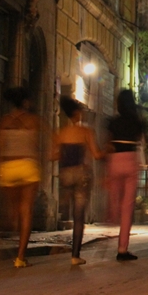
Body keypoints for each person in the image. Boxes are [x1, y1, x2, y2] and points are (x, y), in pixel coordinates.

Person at [52, 97, 103, 266]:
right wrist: (109, 150)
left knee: (67, 206)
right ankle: (75, 255)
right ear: (76, 113)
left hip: (66, 174)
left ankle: (64, 203)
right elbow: (96, 154)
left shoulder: (62, 132)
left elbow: (54, 155)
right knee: (79, 216)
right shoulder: (86, 132)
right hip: (82, 174)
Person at [0, 87, 41, 268]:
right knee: (26, 211)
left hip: (7, 167)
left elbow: (0, 149)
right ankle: (20, 257)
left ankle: (1, 237)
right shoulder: (32, 120)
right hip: (27, 166)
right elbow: (36, 146)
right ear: (25, 102)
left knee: (12, 211)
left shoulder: (4, 121)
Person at [106, 89, 145, 261]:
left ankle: (111, 215)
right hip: (130, 160)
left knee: (114, 197)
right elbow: (141, 140)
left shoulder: (112, 122)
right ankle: (122, 248)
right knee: (128, 207)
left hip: (115, 160)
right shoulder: (137, 122)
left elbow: (108, 143)